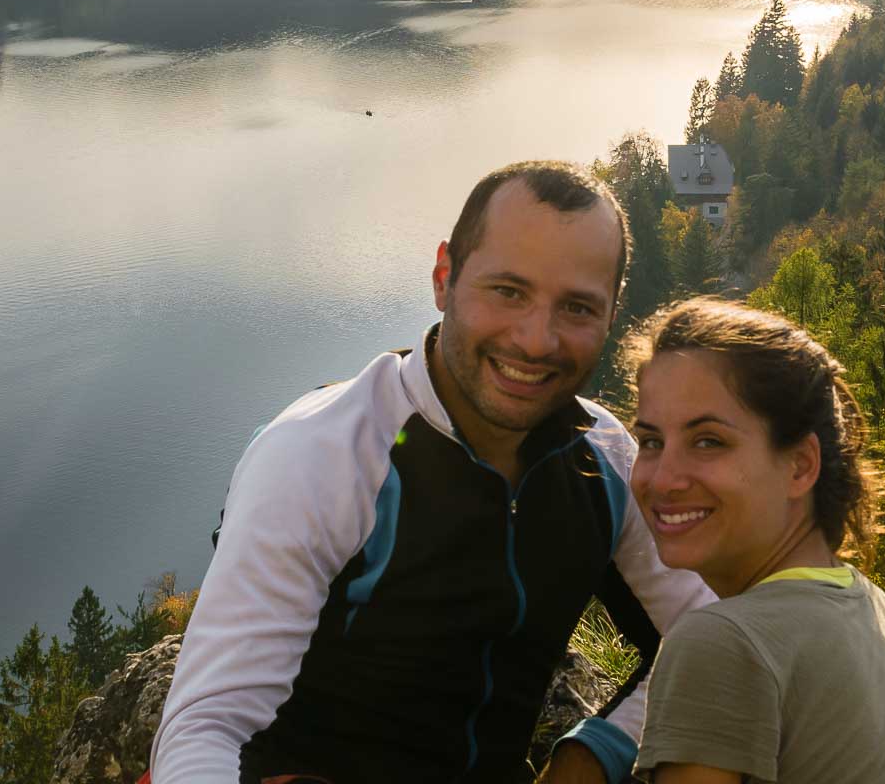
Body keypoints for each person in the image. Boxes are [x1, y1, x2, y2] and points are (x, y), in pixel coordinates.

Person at [151, 161, 714, 784]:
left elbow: (715, 634)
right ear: (445, 277)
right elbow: (206, 727)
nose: (535, 340)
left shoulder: (605, 461)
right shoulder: (325, 454)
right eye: (508, 291)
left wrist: (600, 747)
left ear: (611, 315)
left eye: (577, 307)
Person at [623, 299, 885, 784]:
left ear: (800, 465)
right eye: (651, 441)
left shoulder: (723, 640)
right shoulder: (866, 605)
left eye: (708, 441)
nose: (663, 479)